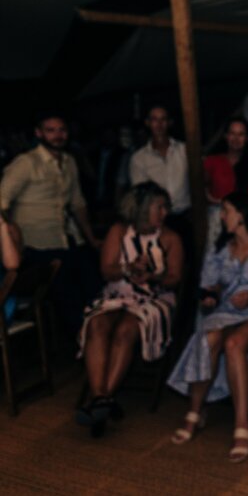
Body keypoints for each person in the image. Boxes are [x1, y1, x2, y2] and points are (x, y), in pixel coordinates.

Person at [168, 192, 248, 463]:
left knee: (235, 343)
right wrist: (211, 294)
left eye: (226, 211)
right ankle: (195, 411)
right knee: (208, 338)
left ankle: (242, 424)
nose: (222, 216)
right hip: (227, 310)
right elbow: (211, 286)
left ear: (242, 215)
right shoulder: (221, 246)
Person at [76, 182, 183, 436]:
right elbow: (107, 271)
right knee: (98, 323)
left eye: (166, 207)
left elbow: (175, 279)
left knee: (126, 329)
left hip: (154, 298)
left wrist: (152, 276)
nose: (165, 212)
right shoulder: (119, 231)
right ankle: (103, 400)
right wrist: (128, 269)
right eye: (160, 207)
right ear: (144, 209)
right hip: (118, 293)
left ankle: (98, 400)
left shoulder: (170, 238)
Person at [0, 112, 102, 337]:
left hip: (65, 239)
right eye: (50, 130)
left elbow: (78, 204)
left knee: (94, 280)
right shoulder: (26, 163)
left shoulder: (69, 162)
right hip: (35, 246)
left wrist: (91, 238)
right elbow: (2, 201)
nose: (57, 135)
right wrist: (12, 238)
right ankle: (85, 338)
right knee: (67, 289)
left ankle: (100, 333)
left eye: (61, 130)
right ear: (39, 133)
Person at [129, 106, 192, 251]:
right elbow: (140, 195)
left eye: (163, 119)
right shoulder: (139, 158)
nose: (159, 124)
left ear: (169, 122)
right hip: (156, 222)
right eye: (154, 120)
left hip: (185, 218)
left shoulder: (185, 150)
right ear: (147, 123)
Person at [203, 117, 248, 250]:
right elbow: (202, 188)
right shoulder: (212, 161)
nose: (236, 138)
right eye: (232, 133)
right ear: (226, 136)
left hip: (245, 220)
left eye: (241, 134)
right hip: (217, 218)